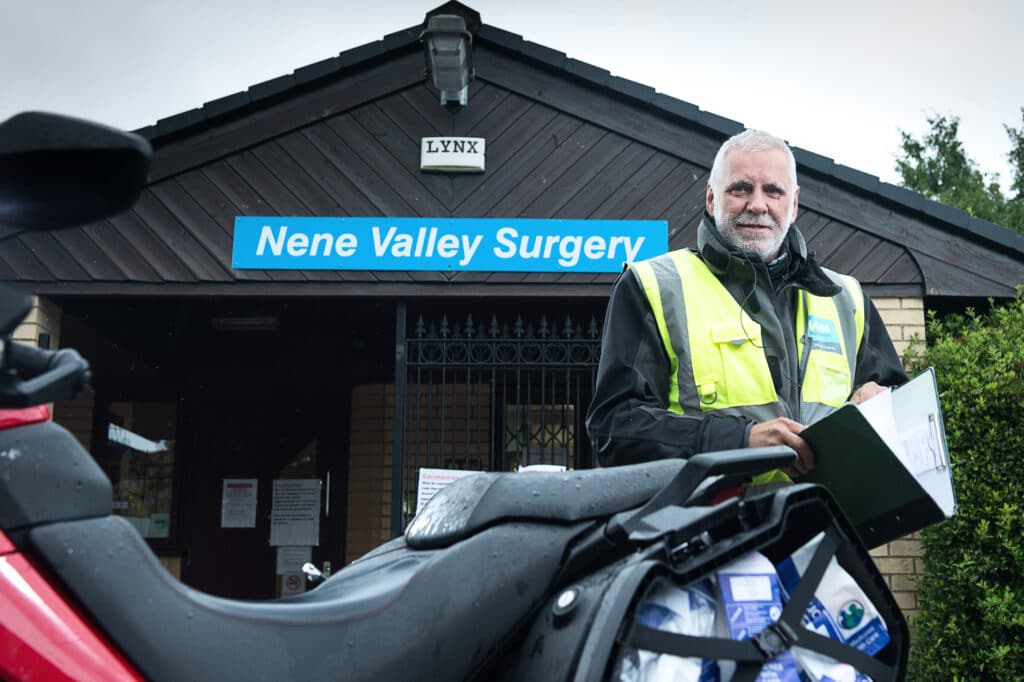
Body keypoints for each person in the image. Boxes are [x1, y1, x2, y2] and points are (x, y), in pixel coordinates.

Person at [586, 129, 907, 477]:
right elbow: (614, 428)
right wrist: (740, 440)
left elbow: (904, 415)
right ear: (711, 199)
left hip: (827, 528)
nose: (757, 205)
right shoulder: (654, 286)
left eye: (773, 191)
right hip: (708, 529)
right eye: (740, 189)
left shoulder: (848, 298)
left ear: (794, 204)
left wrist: (884, 400)